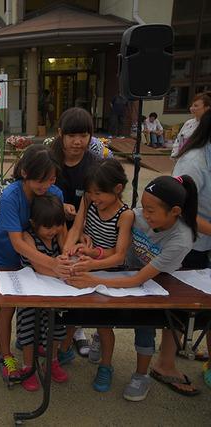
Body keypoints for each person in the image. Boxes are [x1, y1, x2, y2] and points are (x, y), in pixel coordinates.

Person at [69, 175, 200, 401]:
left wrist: (93, 279)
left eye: (151, 211)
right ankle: (101, 337)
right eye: (143, 207)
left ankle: (141, 375)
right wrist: (90, 251)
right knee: (103, 311)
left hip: (153, 284)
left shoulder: (181, 239)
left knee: (145, 325)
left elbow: (139, 279)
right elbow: (116, 250)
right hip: (124, 272)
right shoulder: (136, 216)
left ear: (175, 211)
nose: (143, 214)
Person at [0, 144, 71, 385]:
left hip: (39, 253)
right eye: (40, 181)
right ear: (24, 173)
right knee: (9, 305)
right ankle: (6, 356)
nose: (46, 186)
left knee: (40, 303)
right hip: (6, 252)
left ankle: (39, 348)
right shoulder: (11, 196)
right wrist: (53, 265)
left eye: (51, 179)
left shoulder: (55, 192)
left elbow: (61, 227)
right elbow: (17, 243)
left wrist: (65, 254)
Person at [63, 159, 134, 392]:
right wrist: (67, 251)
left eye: (99, 194)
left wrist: (92, 262)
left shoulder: (125, 215)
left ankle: (106, 366)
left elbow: (120, 256)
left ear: (118, 189)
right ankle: (63, 352)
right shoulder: (88, 200)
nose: (94, 198)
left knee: (103, 324)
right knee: (71, 313)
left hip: (107, 273)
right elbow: (76, 227)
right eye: (91, 193)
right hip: (87, 264)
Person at [50, 107, 100, 356]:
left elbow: (101, 201)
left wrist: (82, 227)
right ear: (60, 134)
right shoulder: (50, 159)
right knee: (52, 281)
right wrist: (58, 206)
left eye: (84, 135)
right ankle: (45, 330)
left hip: (84, 232)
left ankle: (75, 329)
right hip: (50, 228)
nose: (78, 142)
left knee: (77, 281)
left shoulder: (95, 164)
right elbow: (37, 194)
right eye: (72, 135)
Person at [16, 194, 69, 391]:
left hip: (55, 294)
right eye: (48, 227)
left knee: (57, 329)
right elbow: (39, 267)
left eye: (57, 226)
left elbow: (66, 252)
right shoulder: (27, 237)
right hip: (30, 294)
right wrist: (62, 272)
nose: (53, 231)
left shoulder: (57, 236)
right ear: (33, 223)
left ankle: (51, 360)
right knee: (29, 331)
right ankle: (27, 366)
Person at [173, 109, 211, 381]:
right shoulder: (194, 160)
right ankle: (164, 362)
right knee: (179, 303)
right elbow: (180, 208)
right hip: (192, 243)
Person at [171, 92, 211, 158]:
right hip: (181, 160)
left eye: (196, 106)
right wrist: (174, 154)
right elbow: (178, 139)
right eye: (191, 105)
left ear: (207, 108)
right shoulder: (188, 123)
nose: (191, 108)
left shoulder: (208, 126)